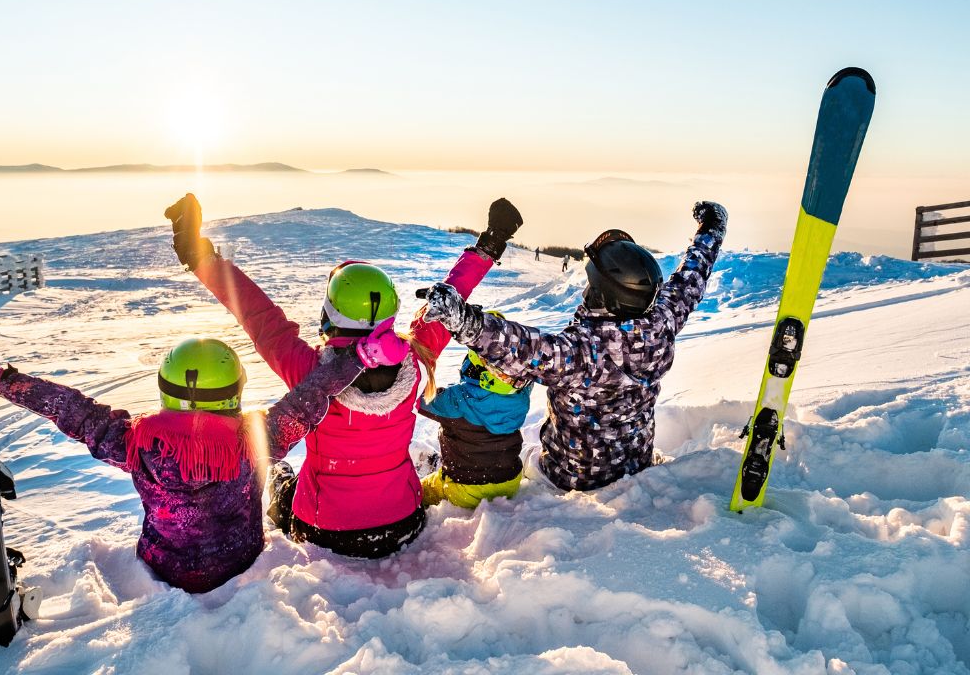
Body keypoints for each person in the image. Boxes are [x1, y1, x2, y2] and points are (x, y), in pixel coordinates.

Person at [166, 194, 523, 557]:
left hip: (325, 529)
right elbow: (450, 300)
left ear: (330, 313)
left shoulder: (309, 373)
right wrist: (490, 243)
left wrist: (200, 257)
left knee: (282, 483)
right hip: (403, 521)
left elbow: (258, 315)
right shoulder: (415, 360)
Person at [0, 325, 408, 592]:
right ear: (235, 391)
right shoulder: (256, 441)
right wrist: (360, 357)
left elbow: (71, 409)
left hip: (165, 568)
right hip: (241, 561)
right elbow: (311, 397)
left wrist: (0, 381)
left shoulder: (135, 443)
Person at [420, 201, 727, 492]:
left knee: (519, 462)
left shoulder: (581, 352)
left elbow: (520, 347)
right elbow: (691, 279)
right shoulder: (662, 322)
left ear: (604, 296)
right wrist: (711, 229)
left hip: (570, 477)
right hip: (636, 463)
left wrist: (462, 319)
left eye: (592, 284)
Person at [417, 310, 534, 509]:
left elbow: (420, 399)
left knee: (421, 491)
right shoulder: (520, 394)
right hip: (510, 481)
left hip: (466, 489)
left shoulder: (457, 400)